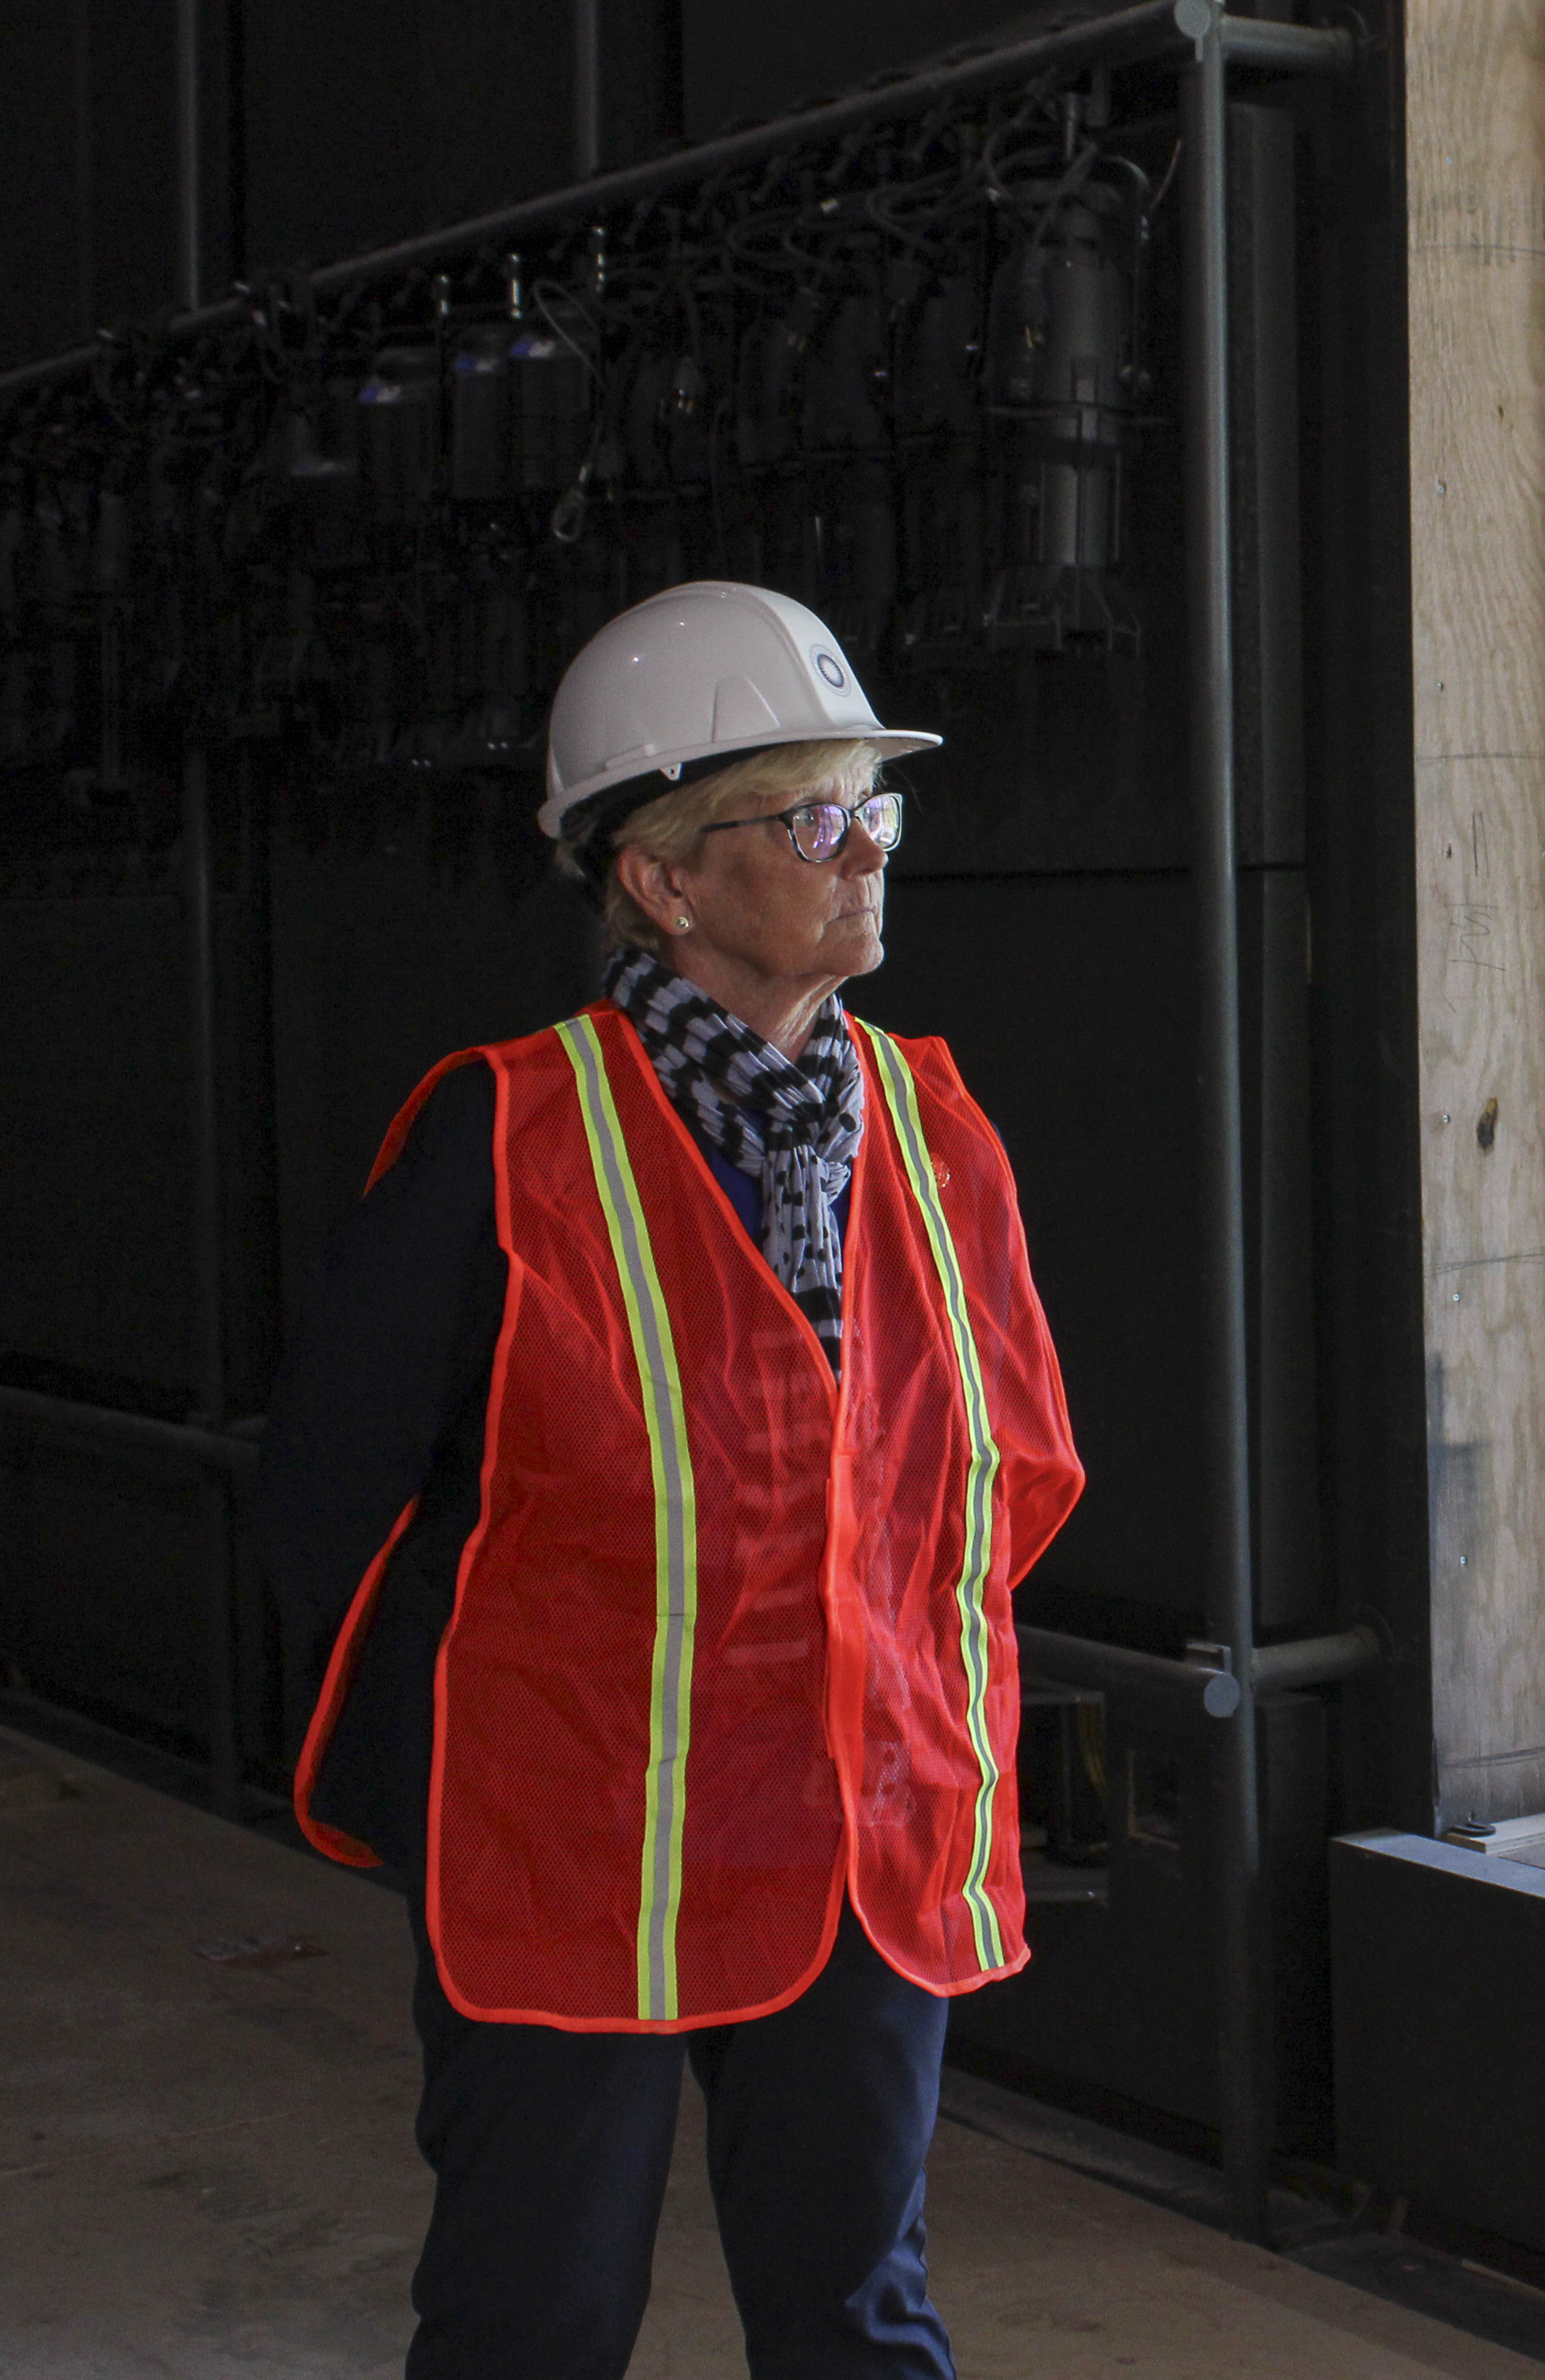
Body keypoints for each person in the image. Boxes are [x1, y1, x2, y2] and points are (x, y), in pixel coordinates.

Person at [254, 580, 1085, 2379]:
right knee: (532, 2321)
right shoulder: (506, 1130)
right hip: (579, 1849)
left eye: (876, 811)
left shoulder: (935, 1129)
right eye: (809, 820)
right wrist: (478, 1777)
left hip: (859, 1831)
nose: (865, 856)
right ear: (662, 879)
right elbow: (335, 1495)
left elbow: (1011, 1468)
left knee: (861, 2319)